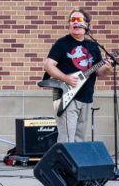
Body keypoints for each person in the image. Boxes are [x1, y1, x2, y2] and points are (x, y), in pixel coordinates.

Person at [43, 8, 111, 143]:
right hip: (66, 96)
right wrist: (66, 78)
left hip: (86, 97)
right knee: (67, 138)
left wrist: (108, 68)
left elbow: (99, 71)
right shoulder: (62, 43)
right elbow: (49, 65)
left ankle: (75, 165)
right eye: (72, 20)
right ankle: (63, 164)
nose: (75, 22)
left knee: (79, 139)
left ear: (86, 25)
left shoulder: (93, 46)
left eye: (79, 20)